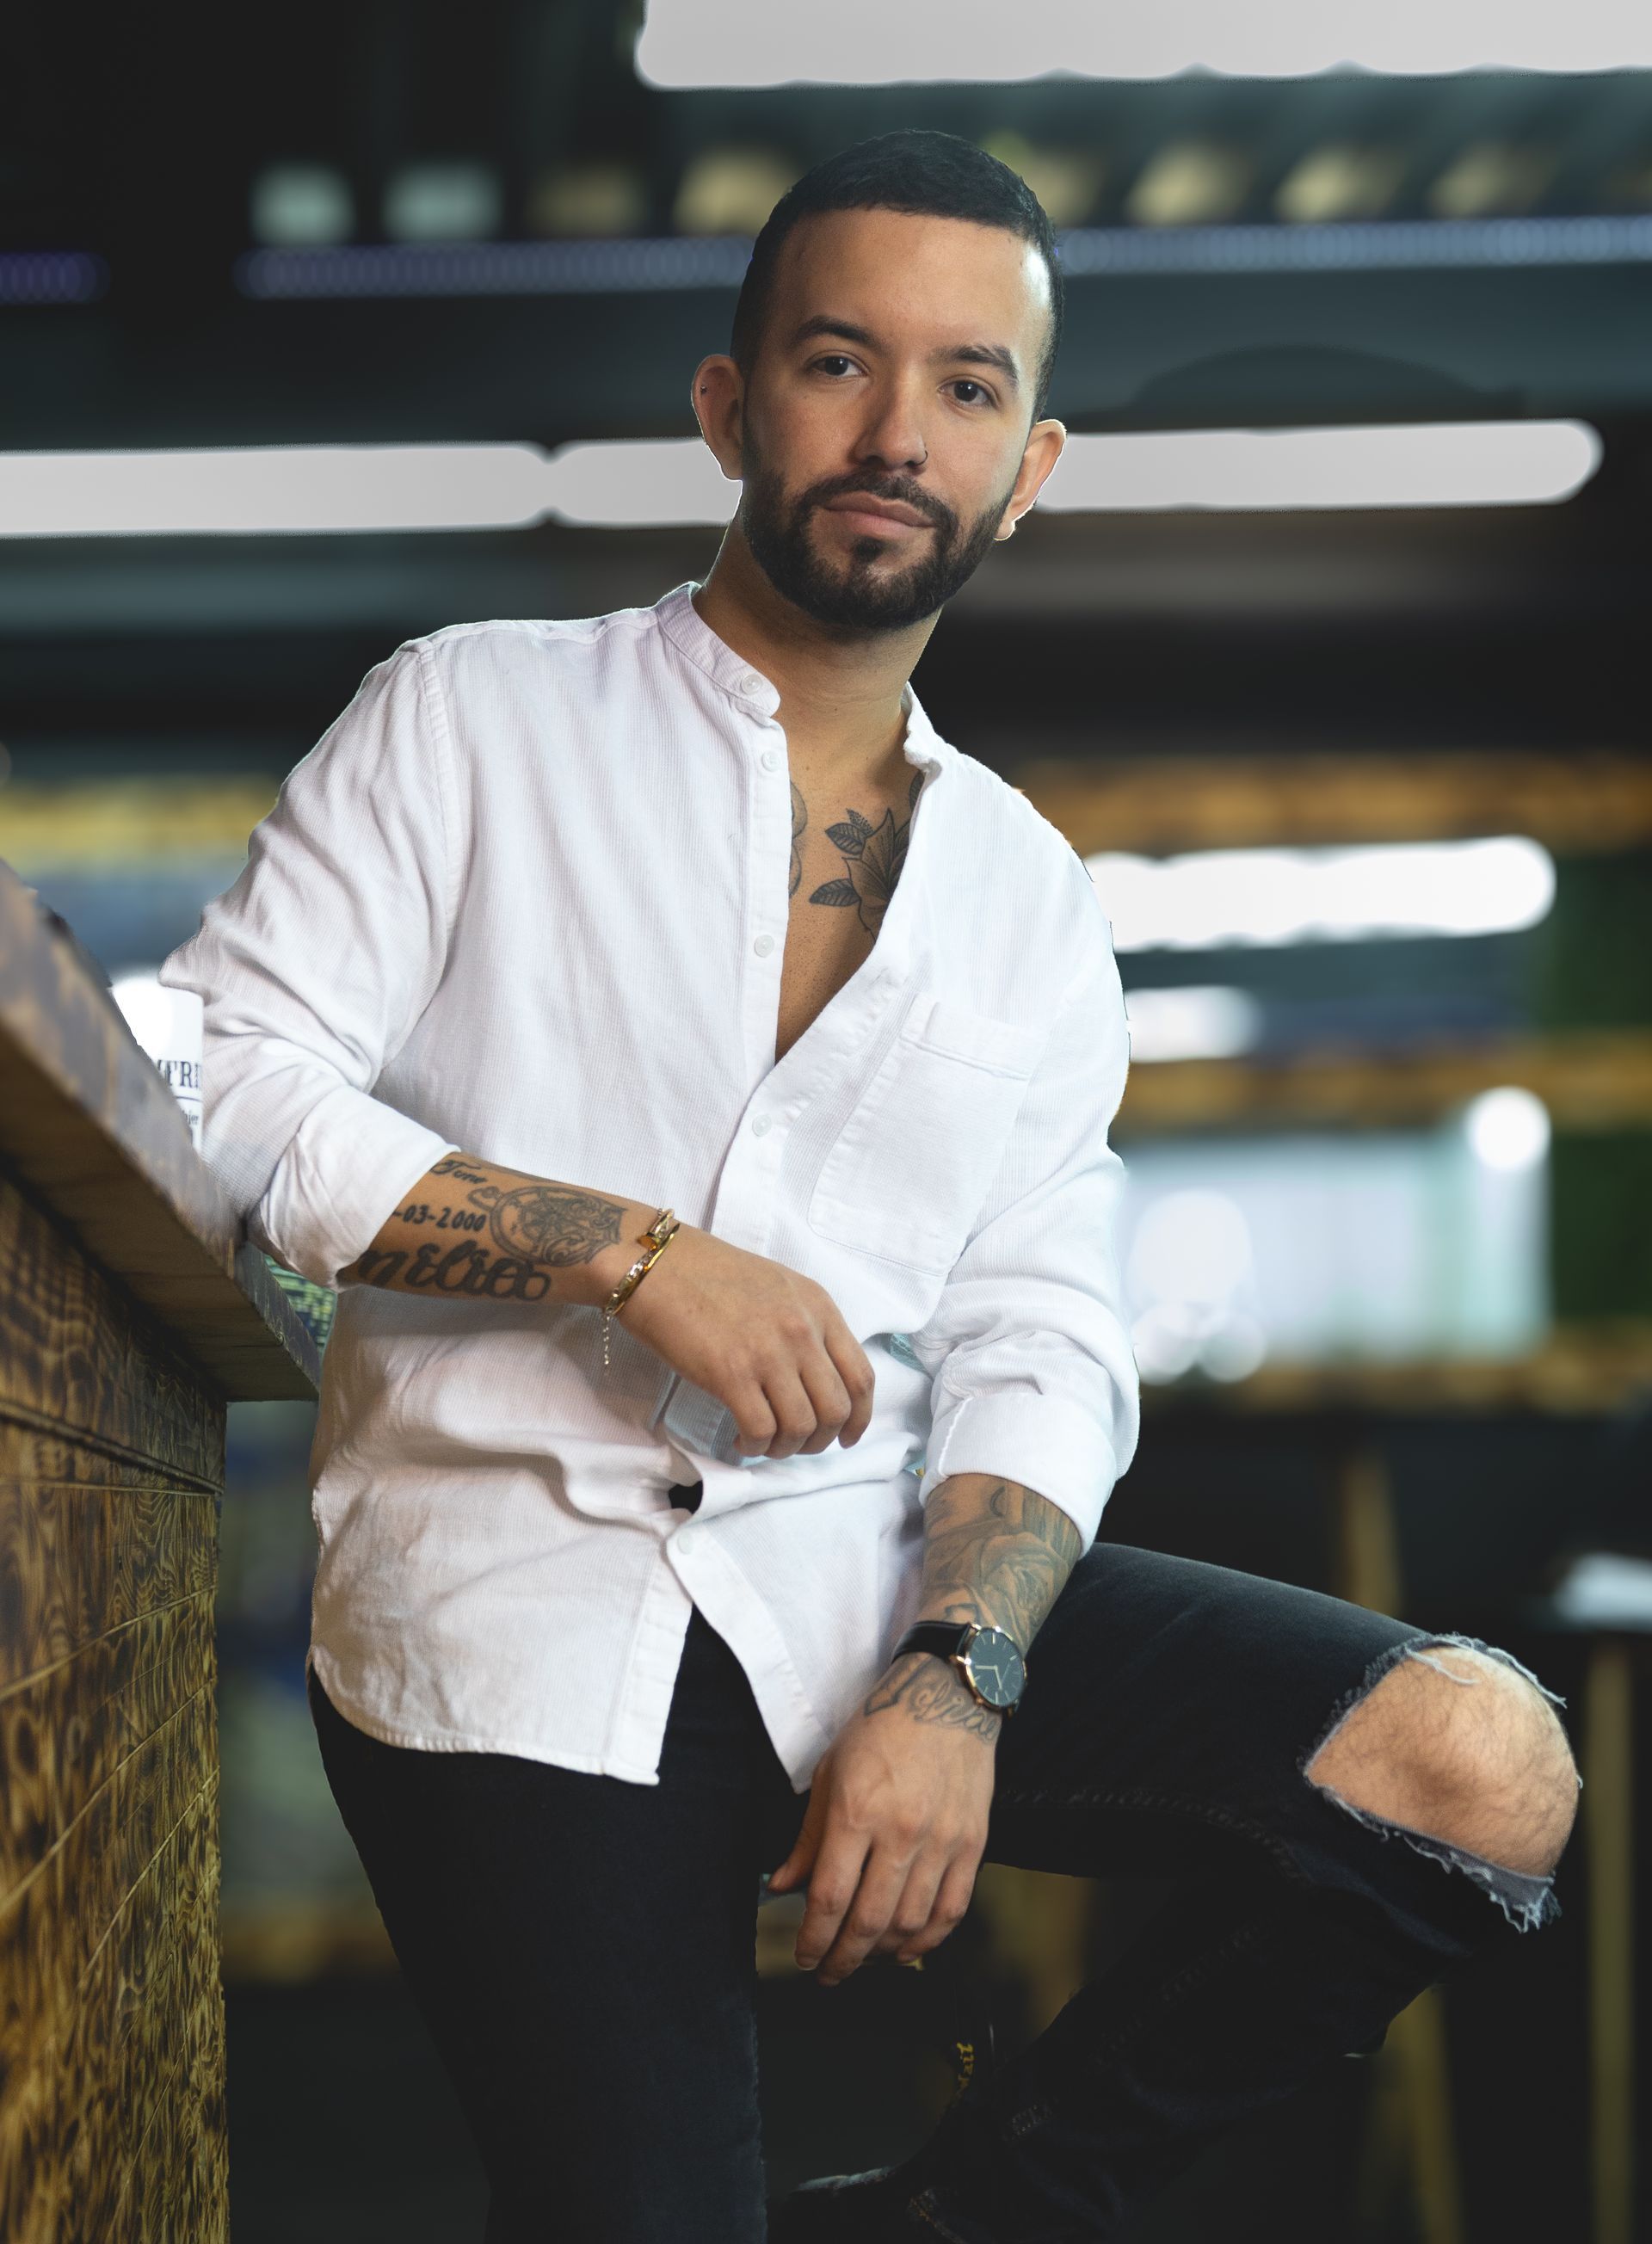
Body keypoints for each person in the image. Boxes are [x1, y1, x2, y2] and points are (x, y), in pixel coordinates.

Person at [162, 130, 1581, 2243]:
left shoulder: (1027, 896)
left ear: (1033, 465)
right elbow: (208, 1080)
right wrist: (625, 1252)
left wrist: (952, 1676)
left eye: (969, 387)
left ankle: (963, 2212)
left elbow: (1039, 1322)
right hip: (513, 1615)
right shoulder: (473, 718)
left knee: (1481, 1765)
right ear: (730, 403)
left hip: (855, 1581)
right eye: (840, 361)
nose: (898, 433)